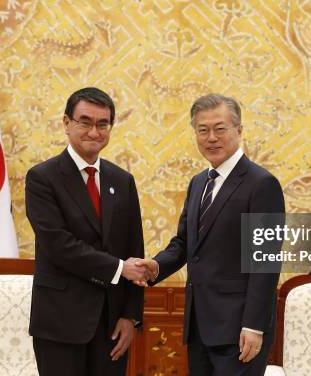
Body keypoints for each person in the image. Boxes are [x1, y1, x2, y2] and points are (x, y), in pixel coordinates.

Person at [136, 94, 285, 375]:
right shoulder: (199, 183)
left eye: (220, 128)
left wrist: (253, 326)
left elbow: (265, 262)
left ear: (239, 131)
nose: (211, 137)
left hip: (240, 331)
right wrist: (156, 266)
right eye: (203, 130)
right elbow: (184, 243)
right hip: (200, 327)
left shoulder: (262, 184)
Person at [25, 87, 146, 376]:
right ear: (66, 123)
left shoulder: (122, 180)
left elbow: (134, 248)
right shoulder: (42, 178)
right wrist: (119, 268)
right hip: (60, 322)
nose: (94, 131)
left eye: (102, 124)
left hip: (112, 324)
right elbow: (59, 245)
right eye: (85, 122)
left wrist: (130, 316)